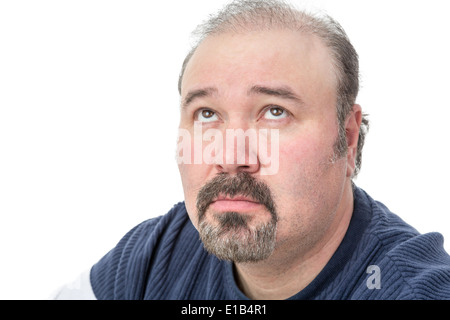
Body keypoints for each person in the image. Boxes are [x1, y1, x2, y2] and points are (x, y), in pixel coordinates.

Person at [53, 0, 450, 300]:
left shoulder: (408, 290)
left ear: (347, 138)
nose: (230, 155)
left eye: (274, 112)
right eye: (207, 113)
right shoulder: (159, 254)